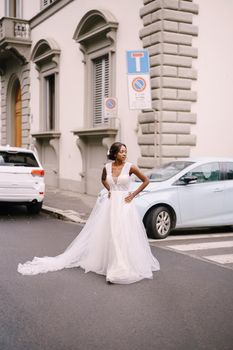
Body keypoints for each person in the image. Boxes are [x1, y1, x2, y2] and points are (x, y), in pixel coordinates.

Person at [18, 142, 160, 284]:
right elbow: (104, 180)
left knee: (121, 234)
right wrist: (110, 189)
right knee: (111, 233)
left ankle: (120, 268)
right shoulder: (107, 167)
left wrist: (133, 194)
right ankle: (111, 263)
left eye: (125, 151)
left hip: (125, 204)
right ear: (115, 153)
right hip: (111, 205)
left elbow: (145, 180)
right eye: (122, 151)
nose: (124, 154)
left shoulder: (131, 167)